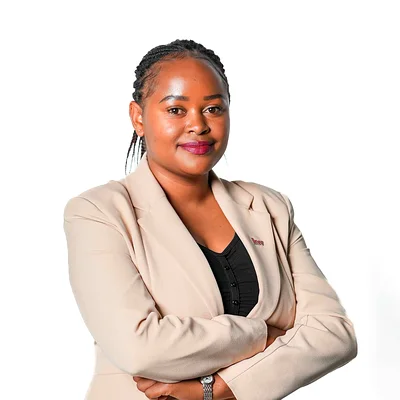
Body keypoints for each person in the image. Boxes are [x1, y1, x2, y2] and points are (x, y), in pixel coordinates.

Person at [63, 39, 357, 400]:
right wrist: (264, 334)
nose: (198, 125)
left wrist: (214, 390)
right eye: (176, 110)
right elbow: (139, 348)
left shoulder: (270, 208)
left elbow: (335, 334)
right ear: (138, 117)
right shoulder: (98, 213)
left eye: (213, 109)